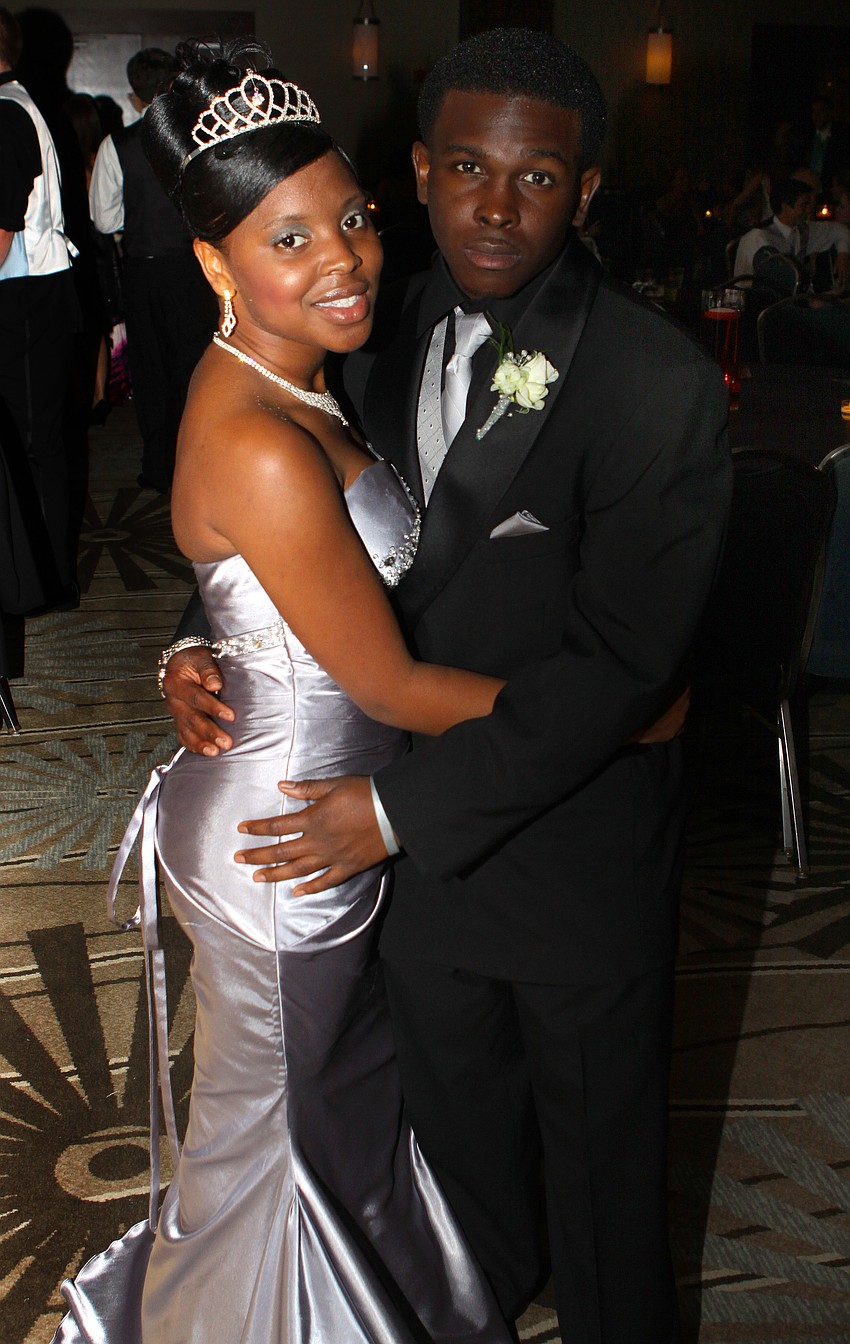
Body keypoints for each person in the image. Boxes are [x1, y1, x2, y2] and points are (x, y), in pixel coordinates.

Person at [162, 28, 732, 1343]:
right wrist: (195, 643)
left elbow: (625, 671)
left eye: (537, 179)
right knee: (453, 1185)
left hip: (563, 857)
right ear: (420, 170)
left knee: (601, 1218)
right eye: (466, 167)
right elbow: (282, 534)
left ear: (586, 192)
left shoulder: (650, 386)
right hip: (396, 864)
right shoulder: (378, 313)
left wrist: (398, 812)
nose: (494, 203)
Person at [58, 38, 517, 1344]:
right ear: (211, 265)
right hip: (287, 842)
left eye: (354, 219)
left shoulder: (292, 382)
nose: (345, 259)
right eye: (290, 238)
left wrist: (188, 646)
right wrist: (604, 708)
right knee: (272, 1136)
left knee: (328, 1103)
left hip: (308, 798)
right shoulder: (262, 435)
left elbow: (250, 584)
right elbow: (389, 677)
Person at [89, 47, 217, 491]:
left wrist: (140, 218)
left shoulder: (116, 145)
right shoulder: (196, 138)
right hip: (190, 267)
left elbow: (103, 219)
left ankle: (158, 466)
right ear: (172, 86)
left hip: (142, 269)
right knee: (193, 364)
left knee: (149, 370)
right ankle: (197, 463)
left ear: (132, 96)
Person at [0, 6, 79, 605]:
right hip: (33, 295)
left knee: (31, 443)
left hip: (24, 297)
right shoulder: (17, 104)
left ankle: (45, 581)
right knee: (34, 441)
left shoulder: (6, 113)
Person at [734, 176, 849, 286]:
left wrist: (843, 253)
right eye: (804, 206)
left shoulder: (803, 231)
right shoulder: (759, 236)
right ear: (786, 207)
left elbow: (840, 230)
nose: (809, 210)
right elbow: (776, 281)